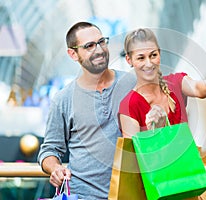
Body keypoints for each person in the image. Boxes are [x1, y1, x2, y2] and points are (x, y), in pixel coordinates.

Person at [37, 22, 136, 199]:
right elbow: (50, 149)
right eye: (89, 46)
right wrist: (55, 168)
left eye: (101, 42)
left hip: (130, 194)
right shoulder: (63, 99)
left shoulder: (133, 83)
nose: (99, 50)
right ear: (73, 54)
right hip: (82, 195)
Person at [119, 28, 206, 138]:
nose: (149, 64)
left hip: (187, 158)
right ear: (129, 60)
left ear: (159, 53)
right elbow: (133, 155)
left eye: (153, 55)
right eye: (141, 58)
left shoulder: (176, 82)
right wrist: (155, 131)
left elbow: (197, 88)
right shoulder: (129, 106)